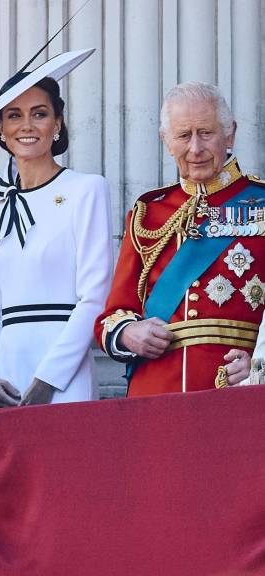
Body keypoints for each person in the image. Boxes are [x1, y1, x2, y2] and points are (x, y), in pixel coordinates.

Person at [95, 81, 265, 395]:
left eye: (206, 133)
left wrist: (259, 366)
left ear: (230, 134)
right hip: (155, 392)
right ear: (167, 141)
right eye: (184, 136)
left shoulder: (260, 204)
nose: (195, 149)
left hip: (234, 391)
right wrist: (129, 333)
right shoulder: (148, 214)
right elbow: (113, 314)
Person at [0, 49, 113, 407]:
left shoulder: (87, 189)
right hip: (5, 376)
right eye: (14, 116)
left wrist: (49, 379)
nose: (27, 126)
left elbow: (94, 297)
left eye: (40, 114)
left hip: (65, 373)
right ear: (1, 130)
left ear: (57, 123)